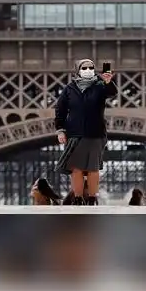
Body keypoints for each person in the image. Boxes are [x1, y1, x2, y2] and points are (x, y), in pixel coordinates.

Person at [54, 59, 117, 205]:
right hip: (74, 134)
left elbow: (112, 92)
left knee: (92, 169)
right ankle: (77, 198)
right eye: (84, 67)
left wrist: (108, 81)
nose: (88, 70)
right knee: (76, 169)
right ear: (78, 70)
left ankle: (92, 198)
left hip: (95, 133)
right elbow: (60, 110)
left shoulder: (100, 85)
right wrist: (60, 130)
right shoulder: (69, 89)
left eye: (91, 67)